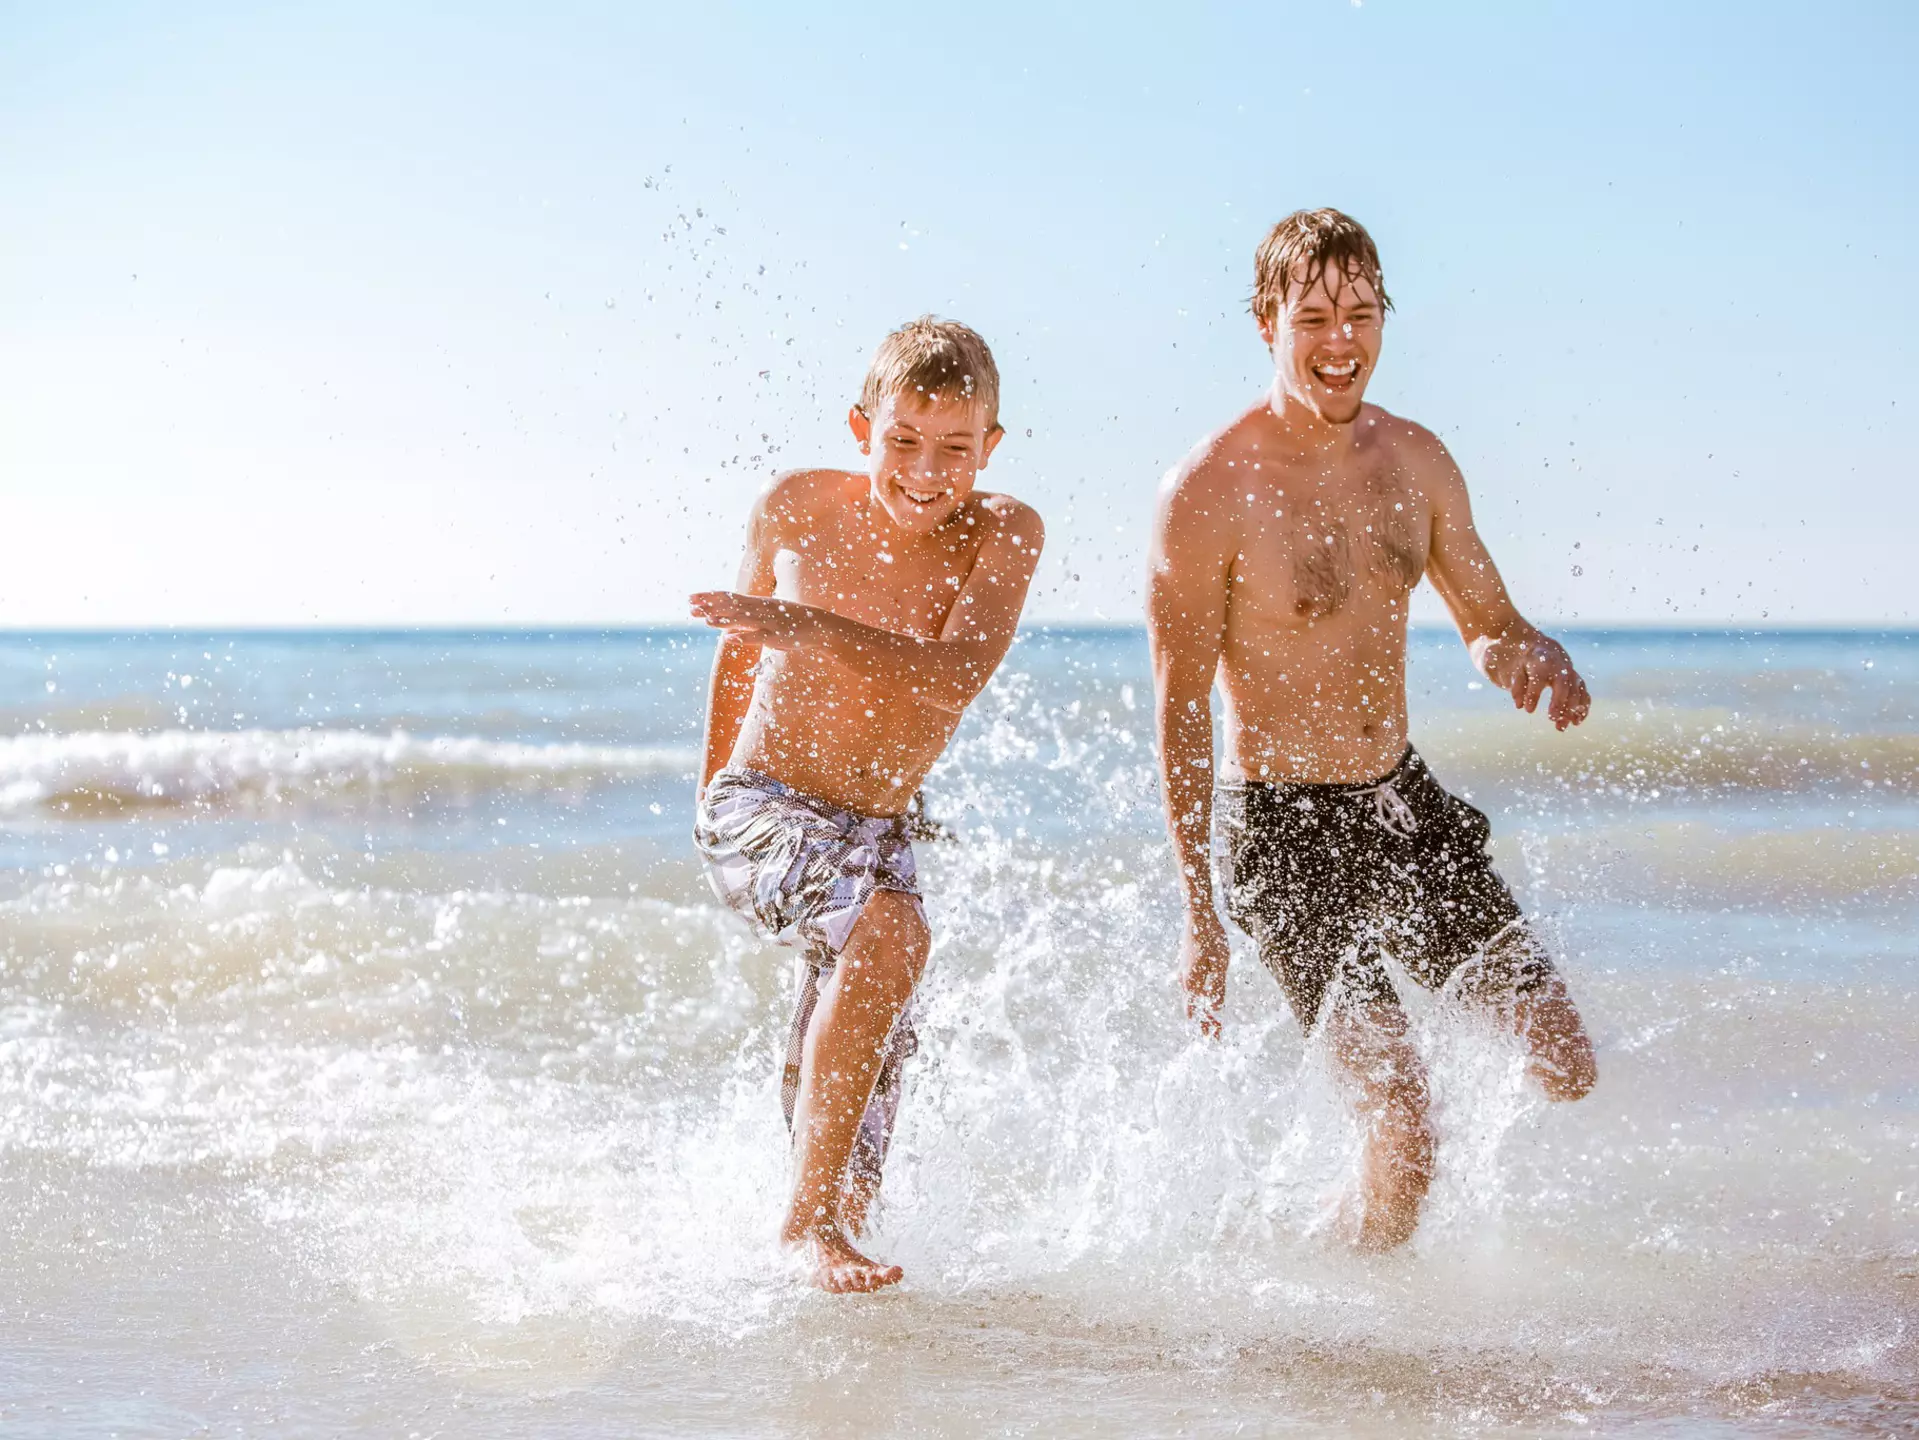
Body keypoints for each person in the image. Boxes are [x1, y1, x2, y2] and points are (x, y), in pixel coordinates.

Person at [1146, 208, 1598, 1250]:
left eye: (1359, 313)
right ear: (1266, 325)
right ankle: (1353, 1354)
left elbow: (1488, 625)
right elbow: (1178, 716)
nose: (1338, 339)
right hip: (1279, 832)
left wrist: (1531, 657)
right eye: (1312, 317)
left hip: (1399, 805)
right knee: (1401, 1120)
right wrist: (1196, 914)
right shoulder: (1206, 492)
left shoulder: (1416, 462)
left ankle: (1321, 1245)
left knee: (1560, 1064)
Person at [690, 317, 1044, 1292]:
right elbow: (738, 649)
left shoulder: (1005, 532)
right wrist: (707, 796)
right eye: (901, 442)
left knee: (874, 1023)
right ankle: (803, 1233)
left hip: (876, 823)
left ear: (990, 447)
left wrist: (805, 627)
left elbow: (953, 676)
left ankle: (834, 1237)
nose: (925, 472)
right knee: (890, 937)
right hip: (761, 802)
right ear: (861, 429)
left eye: (954, 449)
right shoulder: (795, 507)